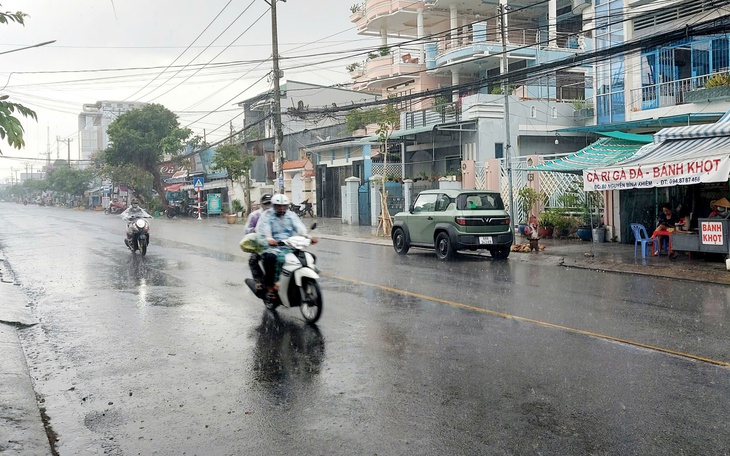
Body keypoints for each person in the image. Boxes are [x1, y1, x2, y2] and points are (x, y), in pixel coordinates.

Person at [257, 194, 317, 299]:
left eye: (284, 206)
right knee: (270, 258)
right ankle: (271, 286)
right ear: (274, 206)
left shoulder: (291, 215)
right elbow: (265, 229)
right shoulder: (267, 215)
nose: (281, 208)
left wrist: (308, 237)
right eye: (278, 206)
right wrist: (270, 239)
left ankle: (300, 282)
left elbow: (299, 227)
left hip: (289, 246)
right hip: (272, 246)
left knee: (310, 257)